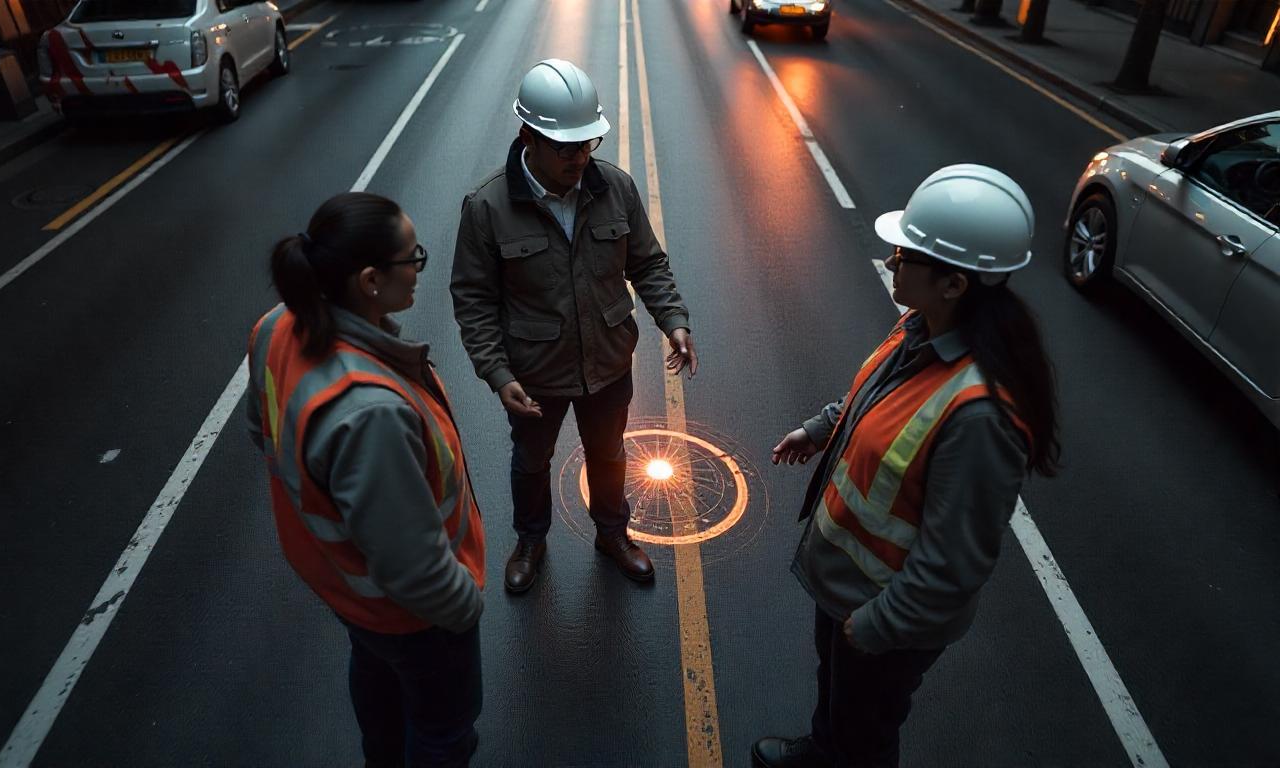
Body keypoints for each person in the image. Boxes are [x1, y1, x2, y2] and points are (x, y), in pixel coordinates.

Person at [753, 165, 1061, 768]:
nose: (892, 263)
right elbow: (875, 399)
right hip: (847, 591)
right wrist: (820, 431)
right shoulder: (921, 327)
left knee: (866, 734)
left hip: (881, 616)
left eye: (906, 254)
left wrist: (873, 627)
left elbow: (954, 568)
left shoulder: (981, 417)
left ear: (953, 284)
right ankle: (822, 752)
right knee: (839, 704)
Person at [246, 192, 485, 768]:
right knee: (443, 731)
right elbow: (413, 570)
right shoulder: (369, 411)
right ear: (371, 280)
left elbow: (264, 432)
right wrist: (464, 608)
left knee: (378, 683)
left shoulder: (276, 326)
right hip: (413, 615)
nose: (420, 270)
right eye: (414, 258)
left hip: (350, 594)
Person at [450, 58, 697, 593]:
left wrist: (673, 320)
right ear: (527, 138)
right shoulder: (487, 207)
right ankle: (531, 542)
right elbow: (473, 299)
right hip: (533, 373)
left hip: (607, 362)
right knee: (532, 460)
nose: (579, 158)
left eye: (588, 145)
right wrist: (496, 373)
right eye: (566, 148)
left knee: (609, 454)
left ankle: (612, 535)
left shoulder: (617, 189)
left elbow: (648, 264)